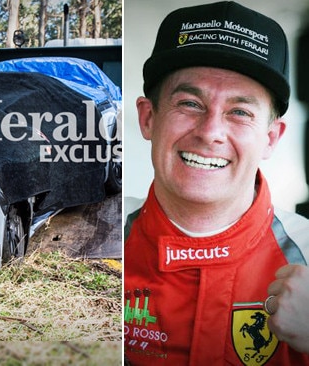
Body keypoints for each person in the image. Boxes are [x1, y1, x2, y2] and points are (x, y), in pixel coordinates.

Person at [124, 1, 309, 365]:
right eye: (190, 103)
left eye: (240, 112)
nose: (210, 133)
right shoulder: (101, 243)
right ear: (148, 118)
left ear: (271, 138)